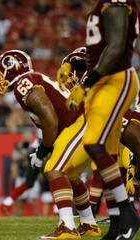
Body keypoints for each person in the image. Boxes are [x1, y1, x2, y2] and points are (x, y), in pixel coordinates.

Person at [0, 49, 101, 239]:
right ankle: (89, 223)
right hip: (76, 123)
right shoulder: (31, 80)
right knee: (72, 175)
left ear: (11, 68)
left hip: (78, 122)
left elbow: (50, 120)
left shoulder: (23, 84)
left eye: (1, 71)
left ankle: (67, 227)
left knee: (54, 169)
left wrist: (42, 151)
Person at [61, 1, 140, 238]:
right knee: (106, 154)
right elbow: (94, 49)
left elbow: (115, 47)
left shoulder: (115, 3)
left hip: (115, 81)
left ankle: (127, 213)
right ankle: (117, 222)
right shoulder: (104, 5)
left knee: (94, 144)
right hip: (107, 82)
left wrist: (87, 83)